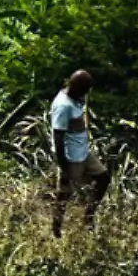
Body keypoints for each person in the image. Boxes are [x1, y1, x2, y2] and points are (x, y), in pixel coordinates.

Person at [50, 69, 110, 237]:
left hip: (83, 152)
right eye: (85, 89)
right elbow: (58, 136)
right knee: (64, 195)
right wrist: (64, 166)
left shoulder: (77, 97)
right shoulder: (62, 106)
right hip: (70, 157)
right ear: (77, 87)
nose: (87, 93)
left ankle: (88, 217)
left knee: (104, 178)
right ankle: (56, 230)